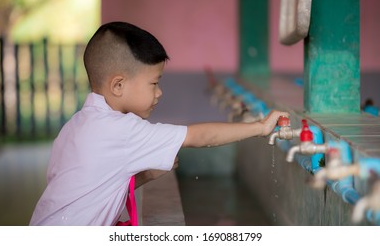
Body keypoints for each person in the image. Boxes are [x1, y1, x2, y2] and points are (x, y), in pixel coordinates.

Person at [30, 21, 289, 226]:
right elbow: (200, 137)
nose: (160, 92)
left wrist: (146, 176)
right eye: (154, 83)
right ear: (118, 85)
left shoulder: (75, 126)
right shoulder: (121, 130)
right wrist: (260, 127)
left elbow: (92, 189)